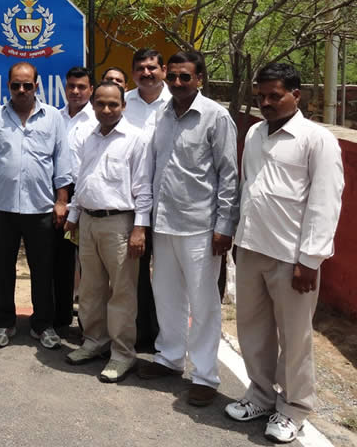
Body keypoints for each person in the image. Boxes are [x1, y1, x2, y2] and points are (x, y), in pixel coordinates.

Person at [224, 63, 344, 443]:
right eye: (260, 96)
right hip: (252, 248)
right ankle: (259, 395)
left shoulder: (316, 139)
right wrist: (238, 241)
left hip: (292, 258)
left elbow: (326, 202)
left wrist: (310, 260)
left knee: (294, 339)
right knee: (253, 330)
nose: (266, 103)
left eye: (274, 95)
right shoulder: (257, 133)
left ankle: (293, 409)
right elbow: (249, 190)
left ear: (297, 95)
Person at [138, 50, 238, 408]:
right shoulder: (162, 115)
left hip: (201, 227)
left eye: (186, 77)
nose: (178, 83)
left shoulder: (216, 116)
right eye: (174, 76)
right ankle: (169, 357)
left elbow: (229, 175)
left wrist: (225, 225)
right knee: (166, 296)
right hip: (164, 224)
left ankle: (206, 375)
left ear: (200, 79)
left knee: (204, 303)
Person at [0, 62, 71, 349]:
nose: (21, 90)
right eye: (16, 85)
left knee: (43, 270)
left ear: (37, 85)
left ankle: (42, 324)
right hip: (4, 209)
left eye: (27, 85)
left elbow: (62, 163)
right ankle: (3, 323)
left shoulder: (53, 117)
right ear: (8, 86)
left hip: (41, 208)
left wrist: (61, 201)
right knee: (3, 269)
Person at [64, 81, 152, 382]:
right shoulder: (88, 138)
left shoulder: (136, 139)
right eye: (100, 103)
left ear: (123, 106)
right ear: (93, 105)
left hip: (120, 224)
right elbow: (82, 180)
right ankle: (94, 342)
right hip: (88, 221)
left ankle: (122, 353)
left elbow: (143, 189)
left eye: (113, 104)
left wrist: (140, 228)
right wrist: (74, 216)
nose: (106, 109)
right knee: (90, 288)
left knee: (122, 292)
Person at [124, 48, 171, 352]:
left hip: (169, 201)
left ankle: (168, 338)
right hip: (132, 201)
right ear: (133, 73)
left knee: (167, 274)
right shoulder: (123, 102)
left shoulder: (176, 103)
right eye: (140, 68)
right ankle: (142, 334)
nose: (146, 73)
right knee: (136, 273)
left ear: (163, 70)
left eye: (152, 67)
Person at [54, 66, 98, 334]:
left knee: (89, 264)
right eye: (71, 86)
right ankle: (59, 318)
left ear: (90, 89)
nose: (76, 91)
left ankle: (90, 326)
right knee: (60, 260)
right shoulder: (55, 118)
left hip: (88, 195)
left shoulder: (97, 121)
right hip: (59, 193)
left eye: (82, 87)